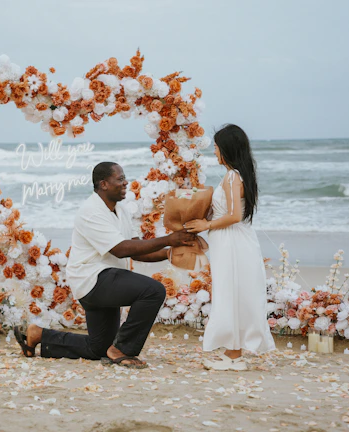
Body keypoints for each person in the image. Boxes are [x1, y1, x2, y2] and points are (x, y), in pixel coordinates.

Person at [14, 162, 195, 368]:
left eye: (124, 177)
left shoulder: (120, 209)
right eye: (120, 179)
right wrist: (168, 239)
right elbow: (120, 249)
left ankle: (38, 335)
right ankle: (123, 350)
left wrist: (170, 254)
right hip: (93, 280)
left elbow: (136, 248)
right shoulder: (91, 211)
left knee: (98, 348)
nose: (126, 182)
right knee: (153, 290)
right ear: (103, 184)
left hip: (108, 280)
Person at [185, 124, 275, 371]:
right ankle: (233, 353)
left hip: (233, 241)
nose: (214, 152)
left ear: (226, 149)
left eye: (215, 147)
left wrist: (207, 223)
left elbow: (235, 215)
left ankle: (234, 354)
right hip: (230, 240)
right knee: (232, 292)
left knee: (230, 292)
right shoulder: (236, 175)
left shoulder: (234, 176)